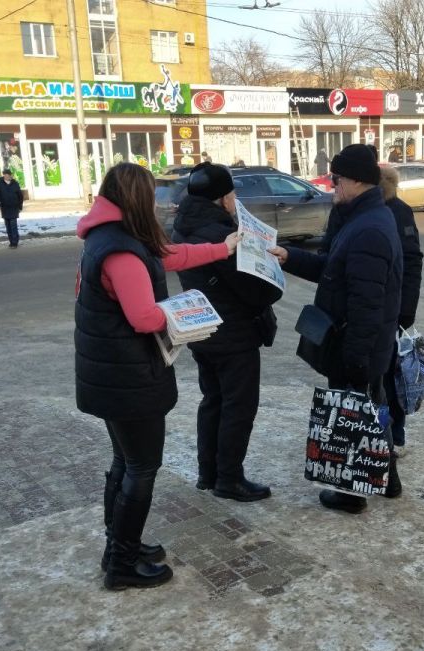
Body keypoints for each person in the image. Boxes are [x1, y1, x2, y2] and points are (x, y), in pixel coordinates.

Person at [75, 162, 241, 590]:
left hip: (114, 372)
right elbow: (144, 316)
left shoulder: (113, 236)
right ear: (135, 199)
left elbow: (172, 254)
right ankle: (122, 564)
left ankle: (120, 546)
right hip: (129, 377)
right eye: (151, 195)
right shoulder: (122, 251)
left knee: (125, 462)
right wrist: (184, 313)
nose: (158, 202)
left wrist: (223, 248)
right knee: (142, 467)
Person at [269, 144, 403, 514]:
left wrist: (356, 358)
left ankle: (350, 494)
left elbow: (367, 305)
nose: (332, 185)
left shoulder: (369, 229)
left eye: (337, 178)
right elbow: (334, 270)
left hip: (356, 343)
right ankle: (388, 479)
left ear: (357, 180)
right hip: (359, 342)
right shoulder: (363, 218)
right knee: (372, 409)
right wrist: (289, 256)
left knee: (351, 413)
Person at [172, 163, 283, 502]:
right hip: (234, 334)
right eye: (233, 194)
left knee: (213, 400)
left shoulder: (183, 226)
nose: (236, 200)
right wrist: (272, 274)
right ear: (221, 198)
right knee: (238, 406)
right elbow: (255, 290)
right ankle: (229, 479)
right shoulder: (221, 235)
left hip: (203, 331)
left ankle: (209, 473)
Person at [377, 165, 423, 457]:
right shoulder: (356, 211)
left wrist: (407, 310)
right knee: (379, 377)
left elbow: (413, 262)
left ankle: (396, 436)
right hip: (373, 309)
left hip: (394, 310)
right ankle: (380, 435)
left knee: (393, 377)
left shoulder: (399, 211)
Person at [0, 169, 23, 248]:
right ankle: (11, 241)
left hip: (14, 207)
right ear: (4, 175)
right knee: (8, 226)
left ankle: (15, 242)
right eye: (6, 175)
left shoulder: (15, 183)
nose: (8, 176)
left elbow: (20, 196)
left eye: (9, 175)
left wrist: (20, 206)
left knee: (13, 225)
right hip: (5, 207)